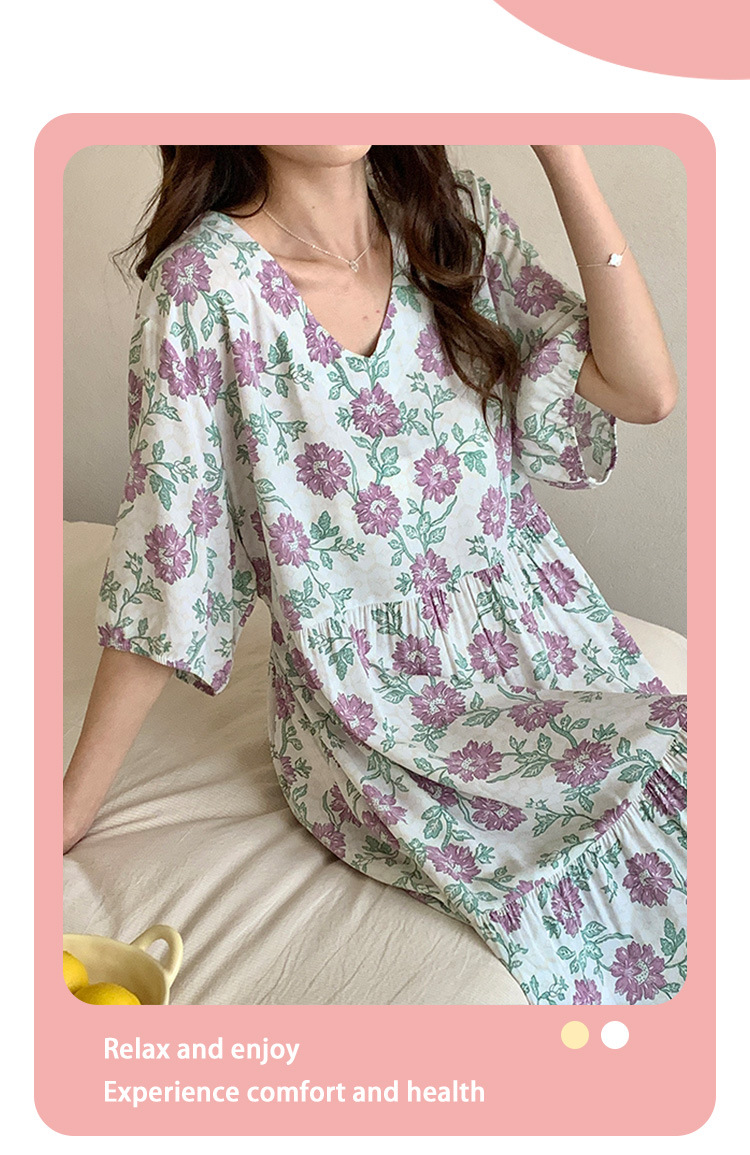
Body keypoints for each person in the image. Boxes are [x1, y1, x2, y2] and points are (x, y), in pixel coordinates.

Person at [63, 145, 687, 1007]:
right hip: (383, 708)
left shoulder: (446, 220)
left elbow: (644, 390)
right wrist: (70, 804)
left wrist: (563, 150)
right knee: (585, 878)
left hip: (547, 639)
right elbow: (168, 562)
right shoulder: (206, 286)